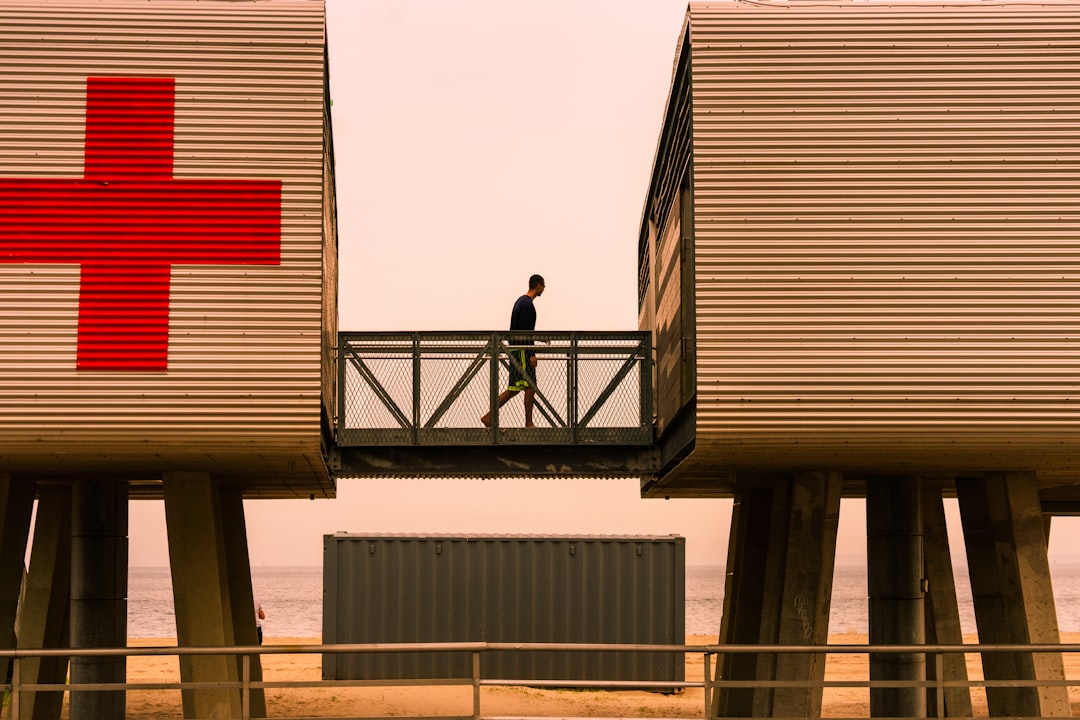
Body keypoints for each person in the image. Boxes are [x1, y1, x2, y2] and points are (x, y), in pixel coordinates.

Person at [481, 274, 545, 428]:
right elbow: (525, 332)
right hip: (522, 350)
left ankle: (489, 416)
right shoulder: (527, 304)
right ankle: (529, 423)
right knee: (530, 385)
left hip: (517, 349)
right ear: (538, 286)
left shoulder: (521, 302)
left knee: (514, 388)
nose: (544, 289)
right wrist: (531, 353)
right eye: (543, 286)